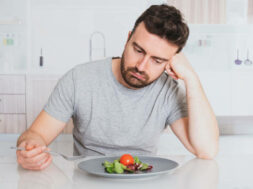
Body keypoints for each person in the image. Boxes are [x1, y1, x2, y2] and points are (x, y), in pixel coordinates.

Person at [16, 4, 219, 170]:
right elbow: (36, 134)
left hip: (142, 181)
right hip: (87, 181)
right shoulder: (79, 78)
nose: (141, 66)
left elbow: (206, 150)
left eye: (157, 60)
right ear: (128, 38)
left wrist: (191, 78)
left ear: (170, 61)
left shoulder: (169, 91)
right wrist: (29, 148)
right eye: (138, 50)